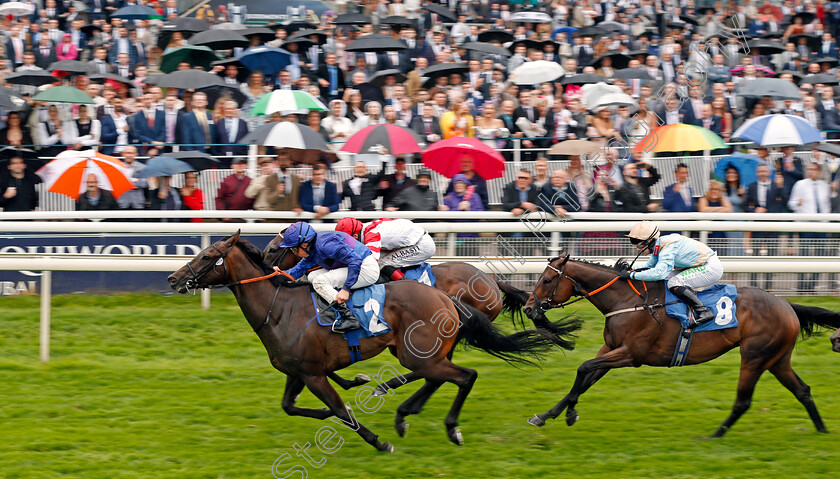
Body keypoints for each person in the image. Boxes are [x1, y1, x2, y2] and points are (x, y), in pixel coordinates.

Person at [276, 221, 380, 333]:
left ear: (305, 244)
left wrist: (346, 288)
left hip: (366, 269)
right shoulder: (313, 248)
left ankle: (348, 317)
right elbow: (299, 269)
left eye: (294, 249)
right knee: (312, 276)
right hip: (355, 266)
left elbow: (355, 260)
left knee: (319, 281)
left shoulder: (325, 245)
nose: (294, 253)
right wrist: (281, 274)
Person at [619, 221, 722, 328]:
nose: (638, 248)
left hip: (710, 267)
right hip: (699, 265)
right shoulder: (659, 246)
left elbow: (659, 273)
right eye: (635, 244)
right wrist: (630, 270)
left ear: (650, 241)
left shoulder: (667, 248)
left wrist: (631, 275)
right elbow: (650, 267)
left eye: (640, 244)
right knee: (667, 279)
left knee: (673, 282)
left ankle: (703, 311)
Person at [336, 217, 436, 281]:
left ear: (355, 236)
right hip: (414, 239)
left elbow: (370, 263)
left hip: (422, 245)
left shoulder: (371, 235)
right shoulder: (366, 228)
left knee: (381, 264)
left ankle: (407, 286)